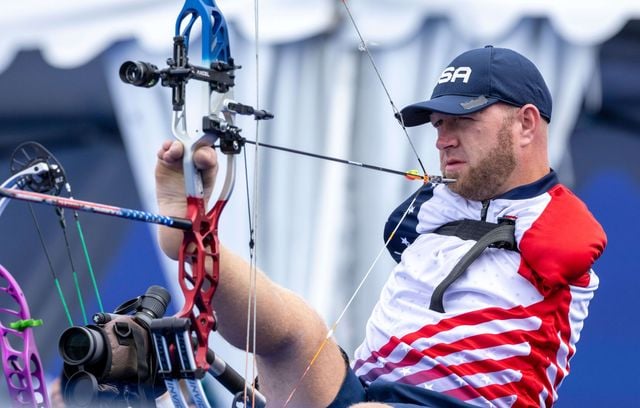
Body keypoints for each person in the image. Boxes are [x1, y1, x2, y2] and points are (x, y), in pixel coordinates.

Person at [155, 46, 607, 408]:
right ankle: (193, 237)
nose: (442, 139)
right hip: (367, 392)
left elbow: (566, 240)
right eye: (438, 124)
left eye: (464, 120)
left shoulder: (556, 222)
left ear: (526, 124)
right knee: (295, 331)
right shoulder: (434, 208)